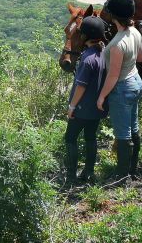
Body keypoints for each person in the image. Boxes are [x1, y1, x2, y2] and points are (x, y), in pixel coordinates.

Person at [97, 0, 142, 182]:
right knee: (133, 127)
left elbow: (113, 76)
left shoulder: (117, 44)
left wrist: (101, 96)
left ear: (113, 16)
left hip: (122, 88)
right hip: (136, 82)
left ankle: (122, 176)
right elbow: (140, 58)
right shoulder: (135, 33)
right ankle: (132, 169)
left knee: (122, 134)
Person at [64, 15, 108, 187]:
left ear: (85, 36)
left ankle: (71, 176)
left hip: (82, 107)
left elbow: (81, 86)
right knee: (90, 137)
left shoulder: (87, 58)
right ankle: (89, 172)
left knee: (70, 137)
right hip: (97, 107)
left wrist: (72, 106)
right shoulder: (104, 53)